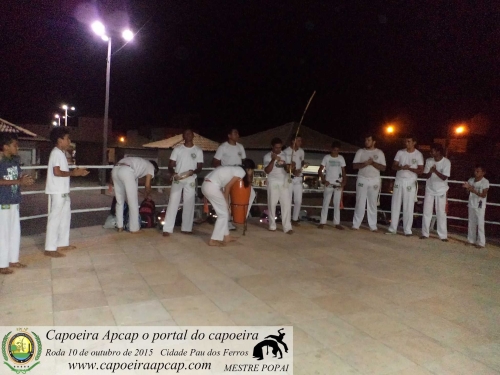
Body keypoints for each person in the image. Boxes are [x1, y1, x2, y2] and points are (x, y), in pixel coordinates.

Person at [45, 127, 89, 257]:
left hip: (63, 190)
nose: (69, 141)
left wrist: (75, 172)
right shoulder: (56, 153)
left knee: (65, 217)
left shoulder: (61, 153)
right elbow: (56, 172)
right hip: (57, 191)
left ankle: (62, 243)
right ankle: (50, 248)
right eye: (67, 138)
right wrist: (74, 173)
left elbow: (61, 171)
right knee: (55, 218)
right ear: (60, 140)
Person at [0, 133, 34, 274]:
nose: (17, 148)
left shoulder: (14, 161)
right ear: (5, 146)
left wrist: (24, 179)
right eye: (15, 145)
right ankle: (2, 264)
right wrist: (19, 182)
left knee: (15, 232)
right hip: (3, 202)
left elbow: (18, 177)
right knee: (3, 234)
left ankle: (13, 259)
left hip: (14, 201)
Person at [202, 159, 255, 246]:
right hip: (212, 187)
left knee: (223, 213)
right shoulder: (241, 172)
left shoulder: (235, 169)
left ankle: (227, 236)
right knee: (223, 214)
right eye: (252, 170)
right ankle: (214, 239)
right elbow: (227, 187)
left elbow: (225, 187)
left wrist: (226, 204)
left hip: (207, 185)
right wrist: (227, 203)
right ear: (249, 169)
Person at [162, 129, 203, 236]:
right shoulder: (178, 149)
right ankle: (167, 228)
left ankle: (186, 228)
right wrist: (173, 173)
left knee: (189, 203)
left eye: (190, 133)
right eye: (186, 134)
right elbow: (170, 165)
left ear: (193, 135)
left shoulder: (198, 150)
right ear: (183, 136)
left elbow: (199, 167)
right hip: (178, 178)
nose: (188, 135)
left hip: (190, 179)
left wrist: (192, 172)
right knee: (173, 202)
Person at [212, 128, 255, 230]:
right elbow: (215, 162)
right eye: (235, 133)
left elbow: (245, 162)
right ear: (229, 135)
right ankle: (227, 221)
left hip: (240, 176)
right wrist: (224, 170)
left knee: (251, 194)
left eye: (238, 133)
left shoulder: (240, 147)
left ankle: (241, 216)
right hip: (227, 177)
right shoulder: (223, 147)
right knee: (227, 199)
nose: (237, 135)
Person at [386, 134, 424, 236]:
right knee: (395, 204)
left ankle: (407, 230)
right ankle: (392, 228)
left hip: (410, 181)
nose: (407, 143)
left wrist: (409, 168)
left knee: (408, 206)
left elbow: (421, 170)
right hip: (399, 180)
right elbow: (394, 166)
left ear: (414, 142)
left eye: (409, 141)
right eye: (406, 141)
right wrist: (401, 167)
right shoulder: (400, 152)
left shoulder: (418, 155)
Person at [111, 157, 159, 233]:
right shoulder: (151, 166)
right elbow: (147, 185)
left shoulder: (140, 164)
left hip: (115, 169)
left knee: (120, 201)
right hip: (126, 170)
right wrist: (148, 195)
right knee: (133, 202)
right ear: (155, 169)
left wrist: (144, 193)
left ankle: (119, 227)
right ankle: (134, 228)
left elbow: (135, 185)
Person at [352, 134, 386, 231]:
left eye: (369, 140)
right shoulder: (360, 151)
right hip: (362, 179)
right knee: (360, 202)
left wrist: (373, 163)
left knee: (372, 203)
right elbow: (354, 165)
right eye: (366, 140)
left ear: (374, 141)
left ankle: (373, 226)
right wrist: (365, 164)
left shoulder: (379, 153)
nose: (366, 141)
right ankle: (356, 224)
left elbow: (383, 167)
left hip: (374, 180)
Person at [420, 143, 451, 241]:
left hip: (441, 190)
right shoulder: (429, 161)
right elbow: (426, 175)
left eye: (432, 150)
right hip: (429, 189)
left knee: (441, 213)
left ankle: (443, 235)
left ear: (438, 151)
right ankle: (425, 233)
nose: (431, 152)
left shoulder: (446, 162)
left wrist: (435, 171)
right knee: (426, 212)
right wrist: (430, 171)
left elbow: (444, 177)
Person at [263, 137, 293, 234]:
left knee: (286, 204)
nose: (278, 150)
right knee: (272, 204)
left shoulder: (285, 155)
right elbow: (267, 171)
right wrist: (273, 160)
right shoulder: (267, 156)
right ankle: (272, 225)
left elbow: (288, 170)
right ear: (272, 147)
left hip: (284, 182)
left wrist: (289, 167)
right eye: (276, 148)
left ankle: (287, 227)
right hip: (273, 181)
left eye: (280, 147)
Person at [318, 141, 347, 229]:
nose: (336, 152)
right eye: (334, 150)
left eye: (337, 150)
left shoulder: (341, 158)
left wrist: (344, 182)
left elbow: (344, 171)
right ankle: (322, 222)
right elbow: (320, 170)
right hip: (329, 183)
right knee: (326, 202)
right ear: (331, 149)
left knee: (337, 203)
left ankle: (337, 223)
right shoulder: (326, 158)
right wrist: (324, 180)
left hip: (338, 183)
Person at [463, 165, 489, 248]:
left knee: (480, 223)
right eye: (475, 171)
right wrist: (467, 188)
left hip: (480, 205)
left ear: (483, 173)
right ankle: (471, 240)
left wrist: (472, 190)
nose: (476, 173)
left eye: (478, 171)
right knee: (471, 222)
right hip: (471, 203)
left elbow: (484, 195)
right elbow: (467, 192)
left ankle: (481, 242)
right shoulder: (471, 180)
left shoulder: (485, 182)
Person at [284, 134, 305, 225]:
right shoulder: (286, 151)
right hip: (289, 178)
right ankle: (287, 218)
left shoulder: (301, 151)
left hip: (298, 178)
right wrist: (292, 171)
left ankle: (295, 219)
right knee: (288, 200)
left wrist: (301, 167)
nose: (300, 142)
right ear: (293, 141)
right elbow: (284, 166)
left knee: (298, 200)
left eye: (301, 140)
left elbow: (302, 161)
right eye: (298, 140)